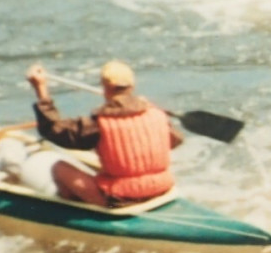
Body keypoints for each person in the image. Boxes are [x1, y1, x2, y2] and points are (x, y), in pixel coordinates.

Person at [27, 61, 181, 205]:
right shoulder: (157, 114)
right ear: (132, 86)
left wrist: (41, 90)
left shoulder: (98, 124)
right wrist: (151, 109)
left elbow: (52, 130)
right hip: (161, 188)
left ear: (105, 87)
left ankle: (79, 209)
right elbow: (176, 140)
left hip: (121, 198)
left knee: (59, 168)